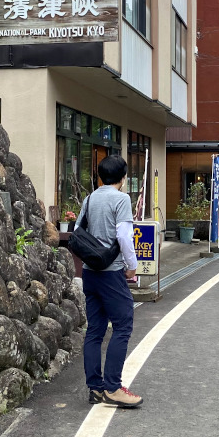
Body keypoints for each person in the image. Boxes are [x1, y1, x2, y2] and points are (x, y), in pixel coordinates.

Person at [80, 155, 143, 408]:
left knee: (95, 330)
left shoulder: (90, 198)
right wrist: (132, 266)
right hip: (111, 272)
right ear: (123, 177)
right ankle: (113, 388)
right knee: (123, 325)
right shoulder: (121, 198)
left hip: (89, 271)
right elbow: (125, 236)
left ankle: (95, 388)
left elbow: (78, 230)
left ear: (100, 176)